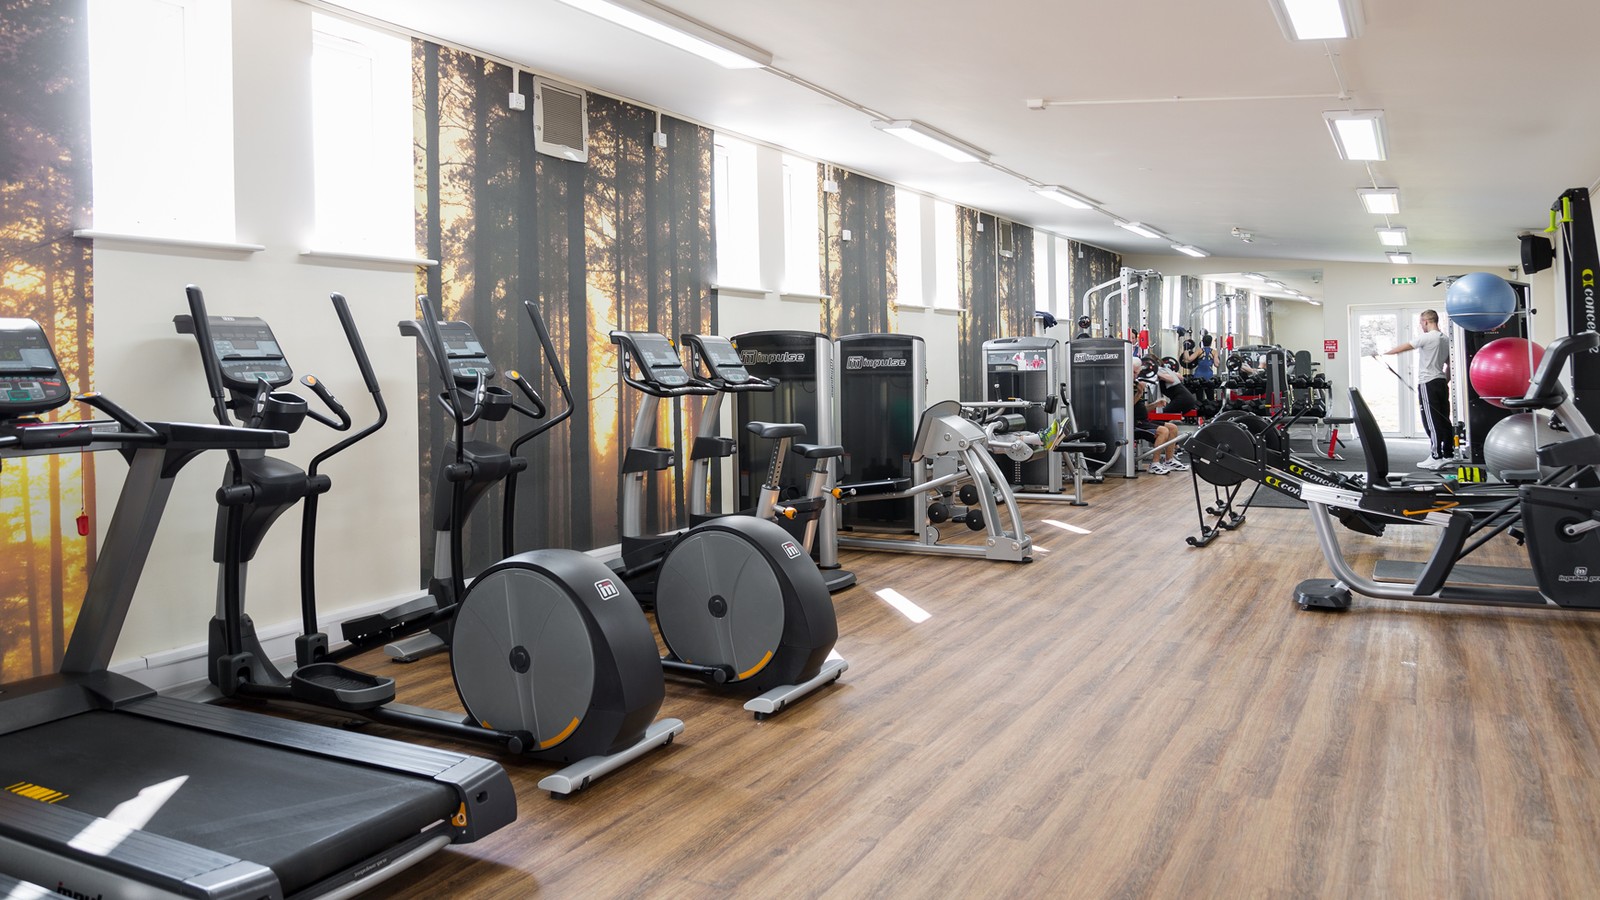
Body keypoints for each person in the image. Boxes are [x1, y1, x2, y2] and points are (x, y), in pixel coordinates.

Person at [1370, 309, 1454, 469]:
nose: (1421, 325)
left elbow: (1404, 347)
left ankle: (1436, 456)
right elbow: (1450, 364)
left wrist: (1382, 353)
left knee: (1432, 421)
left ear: (1426, 321)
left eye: (1421, 322)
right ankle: (1448, 455)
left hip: (1428, 383)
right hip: (1440, 382)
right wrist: (1444, 380)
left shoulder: (1427, 337)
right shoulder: (1445, 339)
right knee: (1444, 419)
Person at [1133, 356, 1183, 475]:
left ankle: (1169, 460)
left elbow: (1139, 408)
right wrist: (1139, 393)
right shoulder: (1126, 386)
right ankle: (1154, 464)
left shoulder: (1135, 383)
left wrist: (1155, 405)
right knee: (1163, 431)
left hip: (1143, 421)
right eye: (1134, 372)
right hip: (1134, 423)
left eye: (1137, 372)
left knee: (1173, 428)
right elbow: (1126, 408)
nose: (1136, 375)